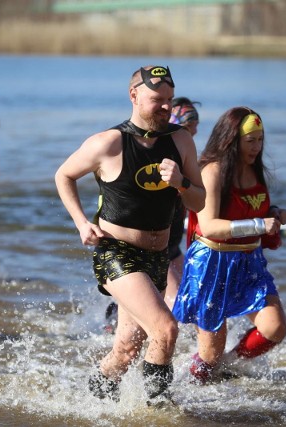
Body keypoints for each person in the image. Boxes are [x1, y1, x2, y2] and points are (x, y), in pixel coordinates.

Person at [54, 65, 205, 401]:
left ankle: (91, 400)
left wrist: (181, 182)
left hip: (159, 256)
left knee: (126, 350)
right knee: (165, 330)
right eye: (157, 100)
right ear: (134, 95)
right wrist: (81, 221)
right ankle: (157, 411)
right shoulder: (108, 143)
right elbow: (63, 176)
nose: (166, 108)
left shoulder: (180, 141)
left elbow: (200, 200)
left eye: (168, 100)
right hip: (116, 252)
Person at [172, 107, 286, 384]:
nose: (257, 147)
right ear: (231, 140)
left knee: (275, 327)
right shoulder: (211, 171)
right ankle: (198, 391)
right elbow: (210, 225)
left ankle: (229, 366)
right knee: (210, 355)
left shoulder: (255, 170)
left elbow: (247, 208)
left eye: (260, 140)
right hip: (212, 262)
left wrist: (273, 212)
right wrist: (260, 226)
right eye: (251, 141)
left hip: (249, 261)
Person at [103, 96, 201, 332]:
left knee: (186, 305)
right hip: (149, 248)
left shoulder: (187, 160)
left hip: (172, 244)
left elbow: (200, 201)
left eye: (193, 131)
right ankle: (117, 317)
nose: (188, 137)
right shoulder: (155, 161)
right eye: (186, 129)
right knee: (172, 306)